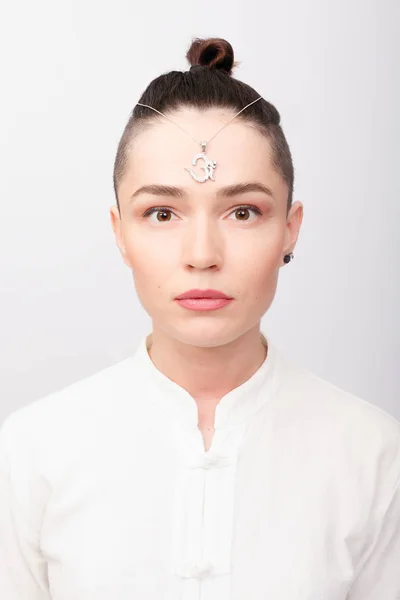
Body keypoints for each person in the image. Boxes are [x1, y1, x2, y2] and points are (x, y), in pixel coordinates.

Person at [0, 37, 399, 600]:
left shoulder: (375, 456)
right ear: (120, 232)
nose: (203, 253)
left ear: (290, 227)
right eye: (161, 212)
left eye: (243, 212)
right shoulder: (31, 452)